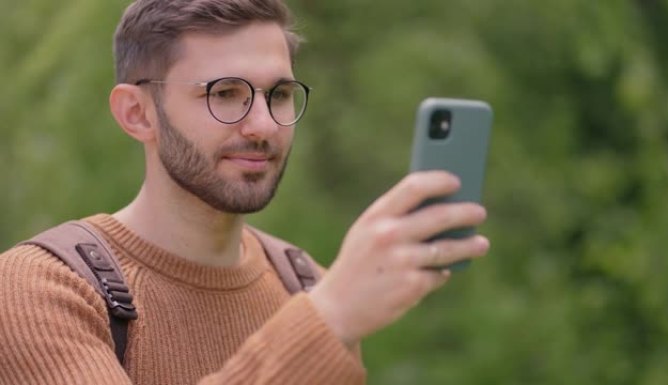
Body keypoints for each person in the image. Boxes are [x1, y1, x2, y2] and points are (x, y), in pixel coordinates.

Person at [0, 0, 490, 384]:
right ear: (137, 113)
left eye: (278, 95)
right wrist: (328, 317)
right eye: (225, 93)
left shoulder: (304, 284)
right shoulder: (40, 289)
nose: (263, 125)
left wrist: (325, 311)